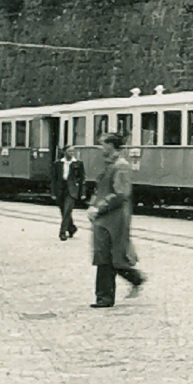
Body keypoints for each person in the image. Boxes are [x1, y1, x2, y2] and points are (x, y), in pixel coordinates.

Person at [87, 132, 146, 308]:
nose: (101, 148)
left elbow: (120, 194)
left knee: (109, 255)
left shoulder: (121, 166)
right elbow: (101, 190)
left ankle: (105, 297)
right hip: (104, 217)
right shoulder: (109, 165)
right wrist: (92, 205)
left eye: (103, 144)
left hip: (114, 217)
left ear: (111, 145)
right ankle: (108, 294)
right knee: (104, 255)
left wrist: (99, 207)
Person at [51, 146, 85, 241]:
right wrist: (53, 192)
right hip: (61, 189)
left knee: (67, 211)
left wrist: (82, 192)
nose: (71, 153)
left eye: (73, 151)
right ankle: (71, 228)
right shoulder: (58, 163)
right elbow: (54, 179)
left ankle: (62, 232)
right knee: (63, 211)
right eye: (69, 151)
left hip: (72, 190)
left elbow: (82, 178)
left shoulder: (78, 163)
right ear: (64, 152)